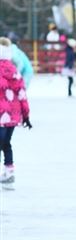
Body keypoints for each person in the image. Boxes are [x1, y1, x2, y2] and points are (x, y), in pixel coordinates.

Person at [0, 37, 31, 191]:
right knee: (6, 144)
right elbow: (22, 94)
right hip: (13, 115)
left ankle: (8, 172)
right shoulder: (14, 71)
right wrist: (26, 115)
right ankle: (9, 171)